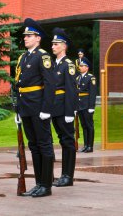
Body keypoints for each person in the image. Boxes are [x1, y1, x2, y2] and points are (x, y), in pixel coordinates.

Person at [14, 18, 55, 197]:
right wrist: (17, 110)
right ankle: (38, 183)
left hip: (39, 107)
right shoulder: (23, 58)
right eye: (25, 36)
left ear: (38, 38)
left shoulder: (43, 56)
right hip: (26, 108)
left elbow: (50, 84)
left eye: (29, 35)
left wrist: (46, 109)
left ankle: (46, 185)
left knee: (44, 145)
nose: (26, 38)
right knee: (33, 145)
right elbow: (18, 85)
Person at [50, 27, 78, 187]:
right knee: (62, 140)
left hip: (63, 109)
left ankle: (68, 175)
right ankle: (63, 175)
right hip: (55, 108)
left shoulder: (68, 65)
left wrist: (70, 111)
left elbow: (71, 90)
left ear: (64, 45)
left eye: (56, 44)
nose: (53, 46)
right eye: (52, 44)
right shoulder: (54, 65)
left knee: (68, 141)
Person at [76, 57, 97, 153]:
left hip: (87, 105)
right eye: (80, 66)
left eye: (82, 66)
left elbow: (92, 93)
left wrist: (91, 107)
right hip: (80, 105)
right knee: (83, 126)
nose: (80, 67)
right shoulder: (78, 78)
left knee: (89, 125)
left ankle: (90, 146)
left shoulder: (90, 77)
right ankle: (85, 145)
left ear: (87, 67)